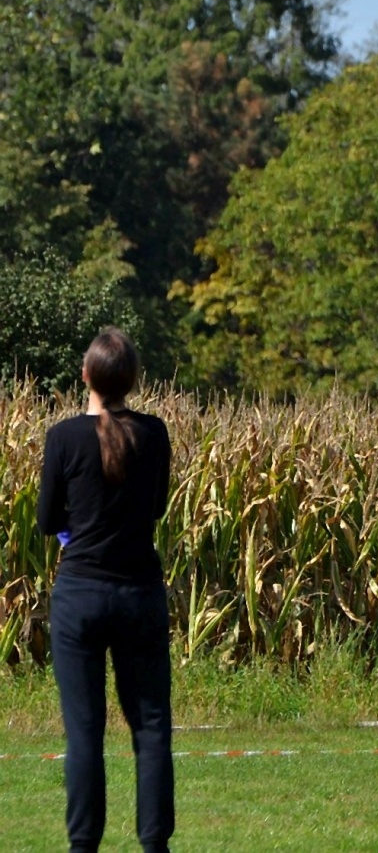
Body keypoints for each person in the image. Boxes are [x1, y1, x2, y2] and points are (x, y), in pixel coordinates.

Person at [37, 328, 175, 852]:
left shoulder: (63, 437)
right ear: (133, 380)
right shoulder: (154, 434)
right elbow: (157, 507)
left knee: (85, 732)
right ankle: (154, 843)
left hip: (80, 595)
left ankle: (82, 845)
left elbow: (47, 520)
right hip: (139, 593)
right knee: (151, 727)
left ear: (85, 376)